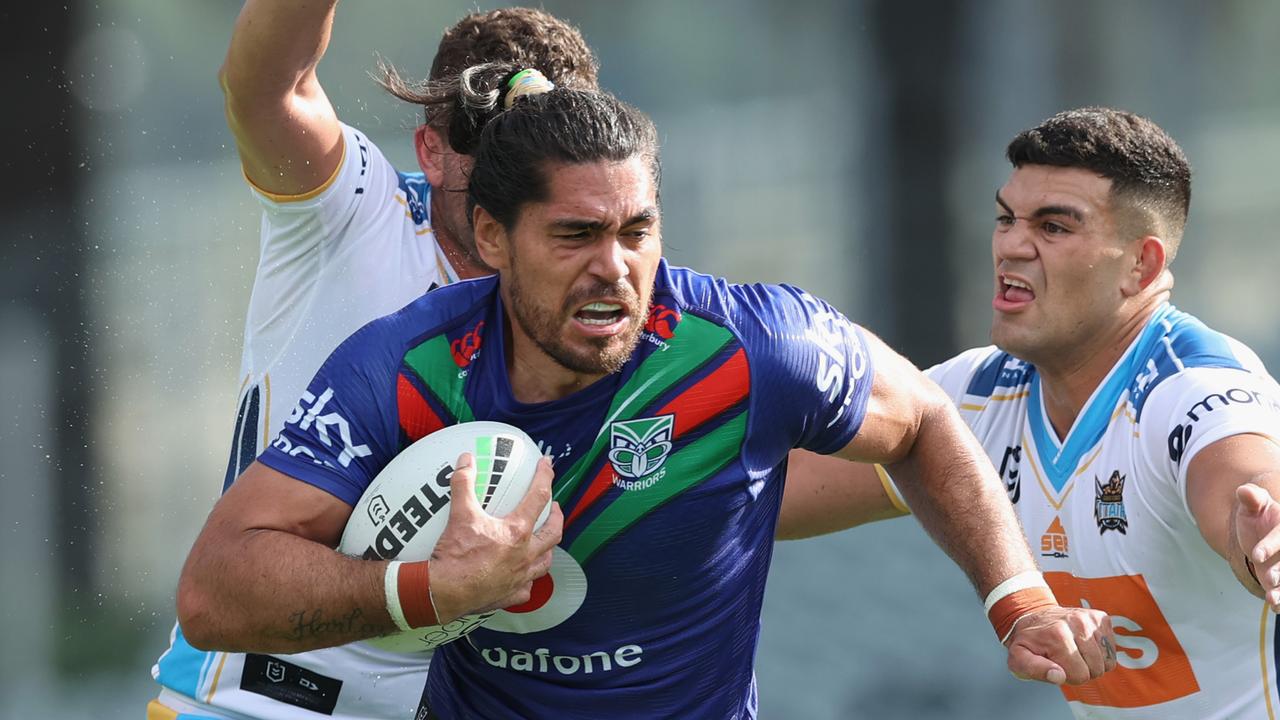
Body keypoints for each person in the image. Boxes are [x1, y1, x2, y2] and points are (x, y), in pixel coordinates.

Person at [177, 69, 1119, 719]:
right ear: (492, 239)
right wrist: (432, 589)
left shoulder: (751, 348)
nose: (614, 269)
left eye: (638, 231)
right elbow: (214, 592)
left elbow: (921, 419)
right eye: (576, 235)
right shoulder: (407, 371)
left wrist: (1020, 601)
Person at [148, 5, 599, 719]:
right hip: (249, 704)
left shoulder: (595, 301)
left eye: (544, 148)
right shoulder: (357, 208)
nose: (514, 174)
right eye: (488, 141)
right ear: (429, 149)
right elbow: (265, 86)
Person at [778, 107, 1280, 719]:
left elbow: (1243, 479)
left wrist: (1258, 536)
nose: (1012, 244)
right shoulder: (973, 394)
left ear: (1141, 266)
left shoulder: (1188, 386)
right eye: (1006, 218)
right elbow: (760, 492)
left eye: (1054, 227)